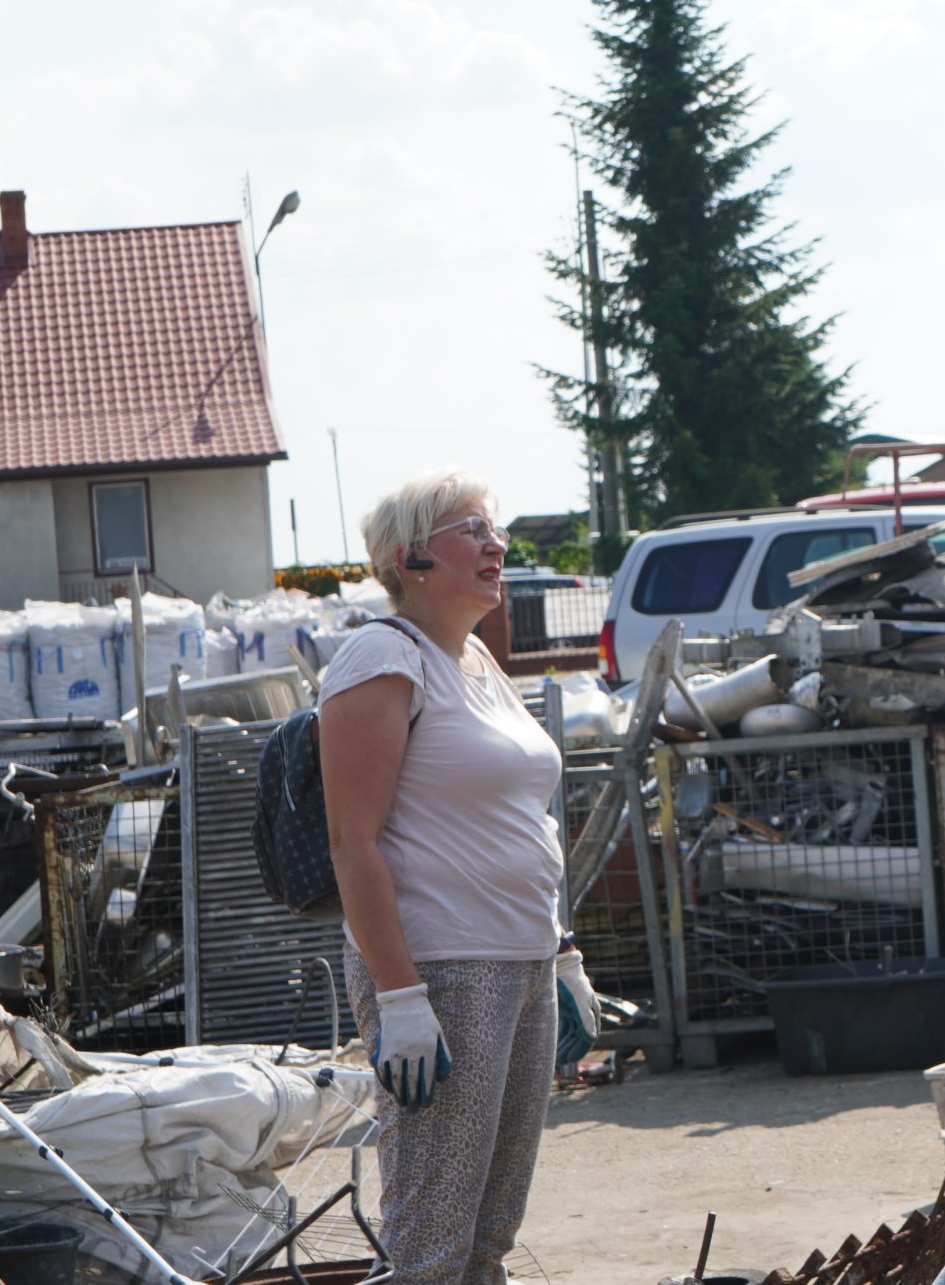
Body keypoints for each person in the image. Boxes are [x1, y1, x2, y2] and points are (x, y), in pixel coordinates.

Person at [318, 470, 598, 1283]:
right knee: (432, 1241)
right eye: (471, 529)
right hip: (444, 968)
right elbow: (352, 842)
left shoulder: (475, 659)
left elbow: (523, 821)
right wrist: (400, 998)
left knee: (488, 1234)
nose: (496, 545)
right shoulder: (383, 655)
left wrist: (564, 953)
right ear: (412, 559)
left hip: (523, 962)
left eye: (494, 529)